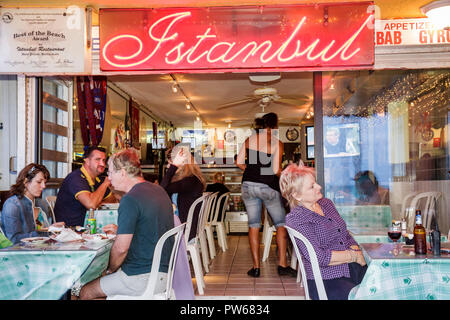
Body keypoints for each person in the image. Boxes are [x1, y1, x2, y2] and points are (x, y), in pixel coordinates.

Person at [79, 148, 174, 299]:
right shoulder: (159, 190)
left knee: (85, 291)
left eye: (110, 172)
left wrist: (110, 270)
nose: (109, 178)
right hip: (165, 275)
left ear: (122, 172)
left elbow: (121, 249)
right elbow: (150, 226)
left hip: (139, 277)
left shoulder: (130, 199)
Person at [279, 163, 367, 300]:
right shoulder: (296, 219)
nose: (319, 187)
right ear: (297, 195)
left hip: (351, 269)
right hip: (327, 279)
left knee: (385, 284)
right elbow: (320, 257)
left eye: (316, 183)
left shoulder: (326, 204)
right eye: (312, 186)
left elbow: (344, 233)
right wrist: (354, 256)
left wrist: (355, 248)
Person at [236, 112, 296, 278]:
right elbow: (276, 170)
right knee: (280, 224)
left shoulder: (249, 140)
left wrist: (251, 171)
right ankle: (283, 265)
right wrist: (287, 175)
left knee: (254, 225)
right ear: (275, 126)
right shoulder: (276, 143)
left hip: (248, 185)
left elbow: (239, 162)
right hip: (268, 186)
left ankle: (255, 268)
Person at [1, 163, 64, 244]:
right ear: (26, 182)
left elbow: (43, 234)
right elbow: (14, 239)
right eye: (39, 182)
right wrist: (45, 232)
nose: (44, 186)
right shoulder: (12, 205)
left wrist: (52, 229)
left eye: (45, 182)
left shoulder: (40, 203)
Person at [54, 146, 116, 227]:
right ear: (87, 160)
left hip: (88, 227)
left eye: (104, 160)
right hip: (70, 230)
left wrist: (97, 202)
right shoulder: (76, 178)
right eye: (97, 159)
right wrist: (105, 184)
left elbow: (112, 200)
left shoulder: (98, 179)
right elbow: (91, 205)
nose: (102, 164)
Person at [160, 143, 205, 241]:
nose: (168, 167)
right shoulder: (191, 179)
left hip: (185, 231)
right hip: (188, 227)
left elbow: (161, 191)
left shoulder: (189, 181)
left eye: (170, 163)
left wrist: (173, 167)